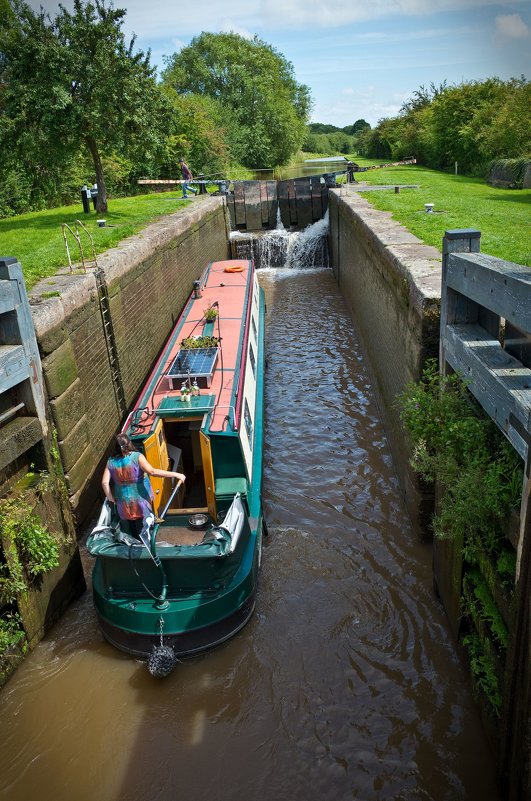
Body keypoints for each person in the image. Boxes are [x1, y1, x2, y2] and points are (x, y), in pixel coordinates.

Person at [102, 433, 185, 538]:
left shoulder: (111, 462)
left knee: (129, 531)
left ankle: (132, 545)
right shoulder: (137, 457)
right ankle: (147, 545)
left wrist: (111, 498)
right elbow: (152, 472)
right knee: (145, 528)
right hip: (140, 502)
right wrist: (176, 474)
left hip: (123, 503)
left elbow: (104, 483)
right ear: (129, 443)